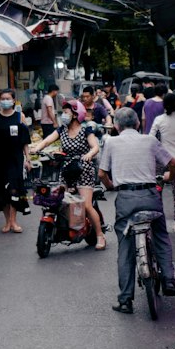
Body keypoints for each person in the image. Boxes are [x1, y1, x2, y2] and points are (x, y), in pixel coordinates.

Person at [99, 106, 175, 314]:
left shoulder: (111, 142)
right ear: (138, 123)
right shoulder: (150, 140)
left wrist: (112, 186)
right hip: (151, 196)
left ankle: (125, 300)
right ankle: (169, 280)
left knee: (125, 247)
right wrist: (169, 177)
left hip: (126, 199)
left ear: (116, 126)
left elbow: (101, 173)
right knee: (160, 235)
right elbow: (173, 163)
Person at [34, 99, 106, 249]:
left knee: (86, 205)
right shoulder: (62, 130)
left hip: (83, 169)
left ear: (75, 114)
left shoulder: (86, 130)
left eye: (66, 112)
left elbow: (95, 147)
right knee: (57, 200)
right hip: (66, 169)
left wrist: (89, 154)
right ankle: (65, 228)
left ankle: (100, 235)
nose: (63, 115)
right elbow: (47, 141)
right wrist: (36, 148)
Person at [0, 89, 31, 233]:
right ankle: (7, 221)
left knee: (14, 188)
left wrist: (28, 159)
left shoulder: (19, 117)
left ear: (13, 100)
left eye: (8, 98)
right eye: (2, 98)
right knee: (1, 190)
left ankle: (14, 221)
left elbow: (25, 141)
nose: (5, 101)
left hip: (15, 158)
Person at [150, 91, 175, 233]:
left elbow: (151, 138)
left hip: (161, 159)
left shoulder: (159, 120)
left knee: (158, 190)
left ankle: (159, 219)